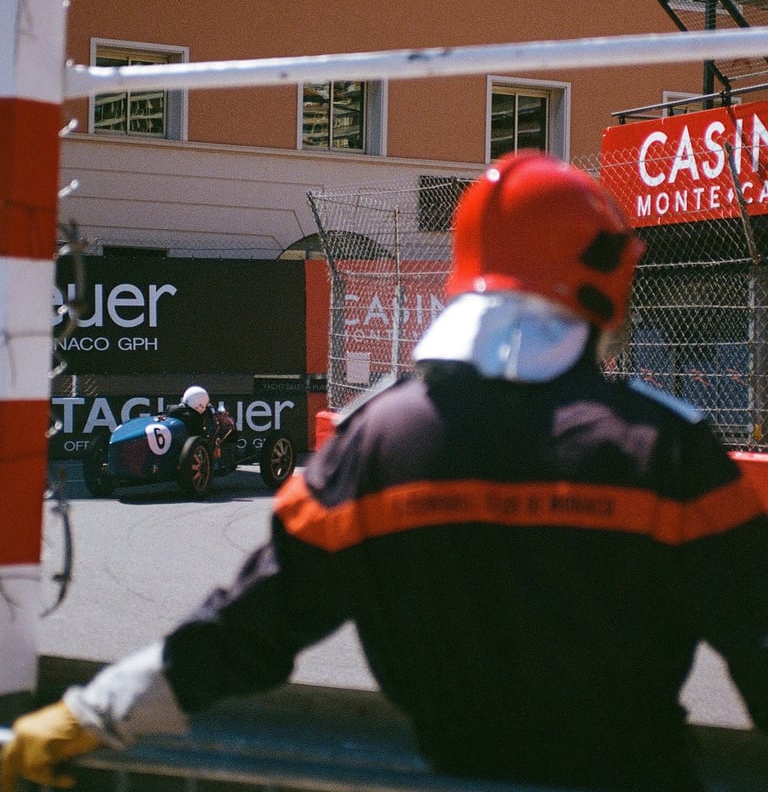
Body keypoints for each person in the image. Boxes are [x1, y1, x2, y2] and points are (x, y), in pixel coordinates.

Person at [5, 150, 768, 792]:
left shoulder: (375, 444)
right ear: (602, 276)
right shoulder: (668, 447)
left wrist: (88, 713)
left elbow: (243, 629)